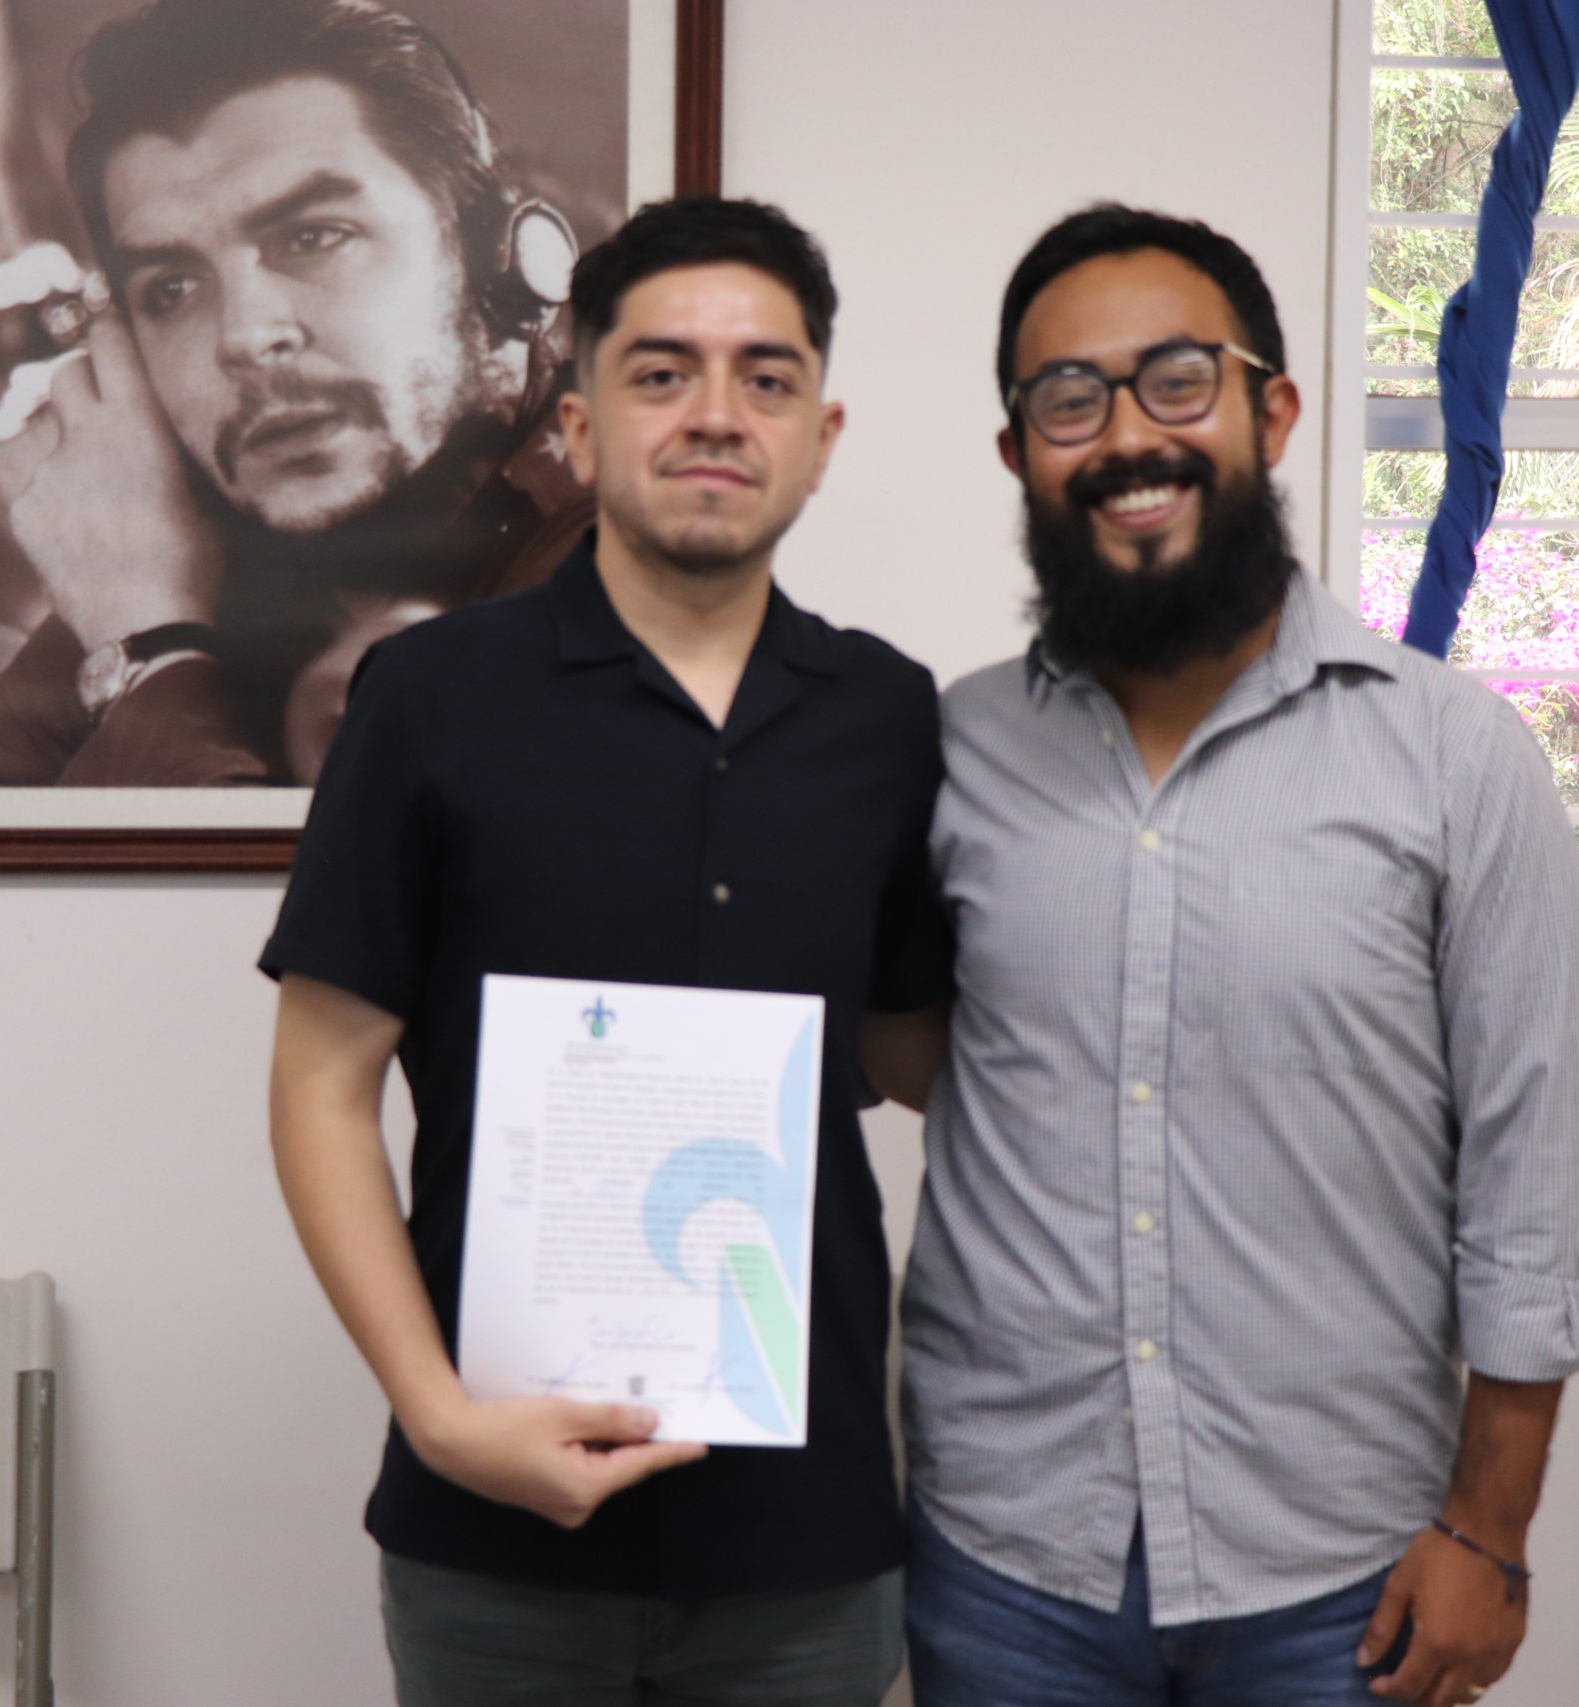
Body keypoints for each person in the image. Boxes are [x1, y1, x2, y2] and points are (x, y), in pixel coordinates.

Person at [888, 205, 1579, 1707]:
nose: (1126, 437)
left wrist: (1490, 1527)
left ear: (1271, 412)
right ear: (1020, 453)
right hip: (1007, 1562)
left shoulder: (1453, 757)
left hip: (1341, 1576)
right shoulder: (944, 753)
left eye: (1177, 380)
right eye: (1068, 400)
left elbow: (1536, 1169)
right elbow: (901, 1049)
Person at [260, 195, 949, 1707]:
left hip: (805, 1533)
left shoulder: (890, 716)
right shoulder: (428, 694)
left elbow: (911, 1051)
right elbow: (320, 1086)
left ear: (821, 436)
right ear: (576, 425)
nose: (716, 413)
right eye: (660, 372)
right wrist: (438, 1415)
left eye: (766, 378)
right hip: (493, 1529)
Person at [0, 0, 593, 787]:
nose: (245, 335)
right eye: (173, 288)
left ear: (503, 263)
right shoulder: (163, 550)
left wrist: (153, 651)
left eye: (314, 237)